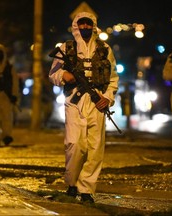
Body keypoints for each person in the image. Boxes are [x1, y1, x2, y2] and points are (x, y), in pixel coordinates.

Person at [49, 12, 119, 203]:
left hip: (97, 102)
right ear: (76, 26)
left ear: (94, 25)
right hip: (74, 101)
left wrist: (108, 98)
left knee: (95, 147)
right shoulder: (67, 48)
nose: (86, 28)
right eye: (82, 24)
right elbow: (53, 74)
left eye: (89, 24)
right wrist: (64, 75)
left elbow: (113, 79)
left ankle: (86, 189)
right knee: (75, 144)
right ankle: (72, 183)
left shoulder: (105, 49)